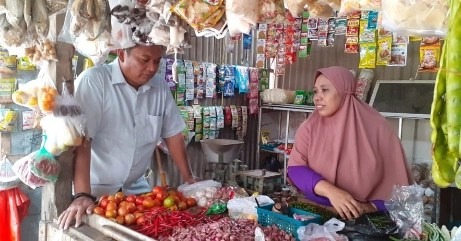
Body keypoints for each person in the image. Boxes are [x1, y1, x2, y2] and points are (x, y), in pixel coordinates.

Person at [57, 44, 196, 230]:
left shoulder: (160, 87)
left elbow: (173, 134)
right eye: (144, 60)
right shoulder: (95, 81)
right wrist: (83, 194)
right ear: (122, 54)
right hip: (96, 192)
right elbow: (83, 140)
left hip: (136, 193)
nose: (152, 68)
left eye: (157, 61)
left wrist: (189, 179)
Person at [287, 66, 413, 220]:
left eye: (325, 90)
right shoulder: (309, 127)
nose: (317, 97)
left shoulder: (378, 127)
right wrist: (332, 192)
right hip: (315, 212)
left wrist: (371, 207)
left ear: (343, 91)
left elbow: (399, 187)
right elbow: (295, 169)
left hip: (365, 217)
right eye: (315, 91)